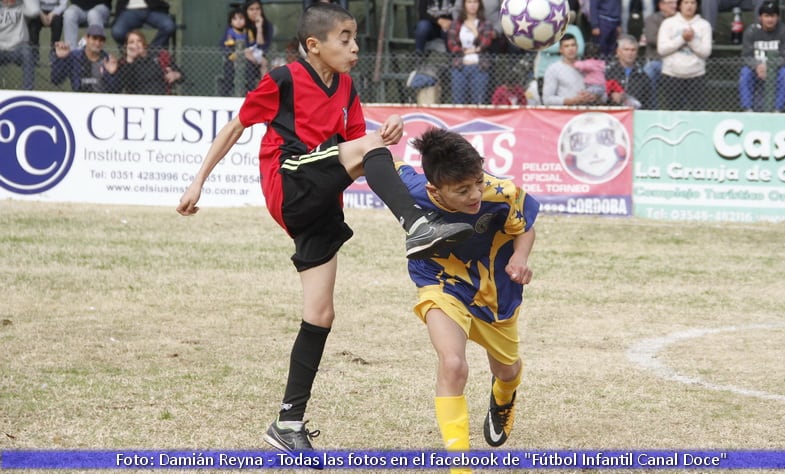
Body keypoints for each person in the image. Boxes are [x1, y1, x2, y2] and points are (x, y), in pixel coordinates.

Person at [176, 3, 473, 452]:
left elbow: (359, 146)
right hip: (289, 179)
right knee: (372, 152)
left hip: (319, 200)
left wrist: (383, 136)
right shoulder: (283, 79)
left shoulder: (348, 87)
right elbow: (236, 126)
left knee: (320, 314)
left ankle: (287, 423)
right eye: (345, 38)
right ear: (314, 46)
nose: (354, 47)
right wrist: (198, 181)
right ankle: (415, 225)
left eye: (355, 38)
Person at [395, 128, 538, 474]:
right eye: (462, 190)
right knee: (453, 364)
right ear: (434, 191)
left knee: (507, 369)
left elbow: (525, 226)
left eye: (477, 182)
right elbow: (377, 162)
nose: (475, 194)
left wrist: (520, 257)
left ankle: (504, 395)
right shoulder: (413, 190)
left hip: (495, 291)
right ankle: (460, 466)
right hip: (440, 282)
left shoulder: (502, 192)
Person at [738, 0, 785, 112]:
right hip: (756, 69)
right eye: (766, 16)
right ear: (760, 17)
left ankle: (778, 110)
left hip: (776, 69)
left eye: (773, 16)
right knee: (745, 73)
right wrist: (757, 66)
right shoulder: (751, 31)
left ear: (778, 17)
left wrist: (769, 66)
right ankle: (747, 109)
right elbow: (746, 56)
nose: (770, 19)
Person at [657, 0, 711, 110]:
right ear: (680, 5)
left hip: (696, 75)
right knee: (672, 114)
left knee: (698, 113)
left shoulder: (704, 25)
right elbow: (662, 49)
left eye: (693, 3)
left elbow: (706, 52)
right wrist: (682, 39)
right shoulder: (668, 23)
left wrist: (691, 41)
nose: (689, 6)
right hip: (672, 75)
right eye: (686, 2)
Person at [446, 0, 494, 104]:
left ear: (479, 5)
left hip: (480, 67)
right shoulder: (456, 23)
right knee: (458, 103)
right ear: (464, 5)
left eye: (475, 2)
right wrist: (467, 51)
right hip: (459, 67)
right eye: (469, 2)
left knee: (478, 103)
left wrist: (474, 30)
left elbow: (485, 43)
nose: (472, 5)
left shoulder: (486, 23)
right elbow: (452, 44)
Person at [104, 29, 182, 94]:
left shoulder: (160, 56)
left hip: (162, 99)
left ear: (144, 43)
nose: (136, 44)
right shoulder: (123, 62)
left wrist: (176, 75)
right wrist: (130, 59)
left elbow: (182, 76)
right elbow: (120, 87)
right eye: (132, 42)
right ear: (127, 46)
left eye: (139, 41)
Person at [50, 23, 114, 91]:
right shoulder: (74, 56)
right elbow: (56, 80)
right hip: (79, 98)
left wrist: (112, 74)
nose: (97, 43)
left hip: (102, 99)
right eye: (94, 38)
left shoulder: (108, 59)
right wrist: (61, 59)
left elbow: (115, 89)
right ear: (86, 38)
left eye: (101, 40)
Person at [542, 33, 601, 105]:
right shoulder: (553, 69)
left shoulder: (587, 66)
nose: (570, 49)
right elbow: (547, 99)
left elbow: (602, 92)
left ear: (577, 47)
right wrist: (572, 101)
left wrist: (595, 96)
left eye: (573, 45)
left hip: (587, 112)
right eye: (566, 46)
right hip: (565, 113)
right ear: (561, 50)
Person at [641, 0, 677, 106]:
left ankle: (675, 110)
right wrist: (677, 42)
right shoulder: (652, 19)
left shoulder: (680, 20)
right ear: (661, 5)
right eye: (670, 3)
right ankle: (651, 109)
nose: (674, 6)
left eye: (675, 3)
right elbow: (652, 39)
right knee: (649, 70)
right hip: (656, 60)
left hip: (675, 61)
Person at [605, 34, 653, 108]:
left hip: (636, 114)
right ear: (618, 52)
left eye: (633, 50)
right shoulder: (608, 72)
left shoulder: (643, 76)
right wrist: (611, 97)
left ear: (637, 53)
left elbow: (648, 103)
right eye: (626, 50)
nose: (630, 53)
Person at [219, 7, 258, 96]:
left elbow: (253, 44)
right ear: (231, 21)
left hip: (246, 59)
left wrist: (249, 50)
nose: (238, 21)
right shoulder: (230, 32)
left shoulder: (248, 32)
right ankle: (225, 94)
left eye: (241, 18)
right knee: (228, 75)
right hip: (233, 59)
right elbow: (226, 47)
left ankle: (250, 93)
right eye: (235, 19)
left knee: (251, 74)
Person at [0, 0, 38, 91]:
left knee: (27, 52)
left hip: (18, 49)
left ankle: (27, 91)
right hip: (1, 49)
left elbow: (34, 10)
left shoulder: (22, 7)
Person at [111, 0, 175, 48]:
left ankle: (151, 53)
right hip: (129, 11)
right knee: (118, 32)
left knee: (168, 26)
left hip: (152, 9)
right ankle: (130, 54)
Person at [243, 0, 273, 90]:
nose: (255, 12)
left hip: (260, 57)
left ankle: (263, 90)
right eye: (251, 9)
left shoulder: (267, 25)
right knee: (249, 66)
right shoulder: (240, 23)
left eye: (257, 9)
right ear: (246, 11)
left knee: (264, 64)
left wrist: (259, 28)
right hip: (242, 58)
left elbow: (263, 47)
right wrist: (246, 54)